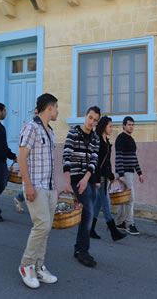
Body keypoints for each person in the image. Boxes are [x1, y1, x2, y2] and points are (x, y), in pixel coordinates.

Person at [18, 93, 59, 289]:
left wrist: (56, 187)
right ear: (49, 108)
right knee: (42, 225)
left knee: (46, 229)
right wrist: (28, 185)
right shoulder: (31, 128)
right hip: (36, 186)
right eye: (56, 107)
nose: (58, 111)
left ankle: (40, 267)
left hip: (50, 188)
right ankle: (26, 265)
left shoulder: (50, 132)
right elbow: (21, 157)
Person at [62, 106, 100, 268]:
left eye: (95, 120)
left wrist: (87, 178)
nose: (92, 122)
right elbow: (66, 156)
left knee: (87, 213)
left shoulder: (95, 138)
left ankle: (79, 247)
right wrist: (67, 181)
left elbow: (94, 161)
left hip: (87, 179)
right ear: (85, 116)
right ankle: (83, 251)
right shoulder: (74, 133)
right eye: (90, 118)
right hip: (76, 178)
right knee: (89, 212)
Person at [90, 116, 126, 241]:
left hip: (105, 176)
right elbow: (97, 162)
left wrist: (111, 175)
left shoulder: (106, 141)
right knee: (106, 204)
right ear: (104, 126)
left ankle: (90, 230)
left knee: (98, 204)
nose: (112, 128)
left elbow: (107, 162)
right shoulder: (98, 141)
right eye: (110, 126)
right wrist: (98, 178)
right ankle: (114, 232)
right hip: (100, 177)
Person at [115, 116, 144, 236]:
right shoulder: (121, 138)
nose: (131, 127)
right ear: (124, 126)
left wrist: (139, 173)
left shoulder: (131, 139)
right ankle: (129, 224)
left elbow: (134, 158)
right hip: (124, 173)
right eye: (129, 124)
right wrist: (121, 175)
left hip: (129, 172)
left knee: (123, 198)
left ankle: (120, 222)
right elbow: (119, 157)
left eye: (133, 125)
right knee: (130, 198)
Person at [13, 108, 38, 214]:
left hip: (36, 163)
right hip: (28, 161)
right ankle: (19, 197)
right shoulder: (29, 127)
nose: (36, 115)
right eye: (35, 113)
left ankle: (19, 198)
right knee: (30, 184)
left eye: (38, 113)